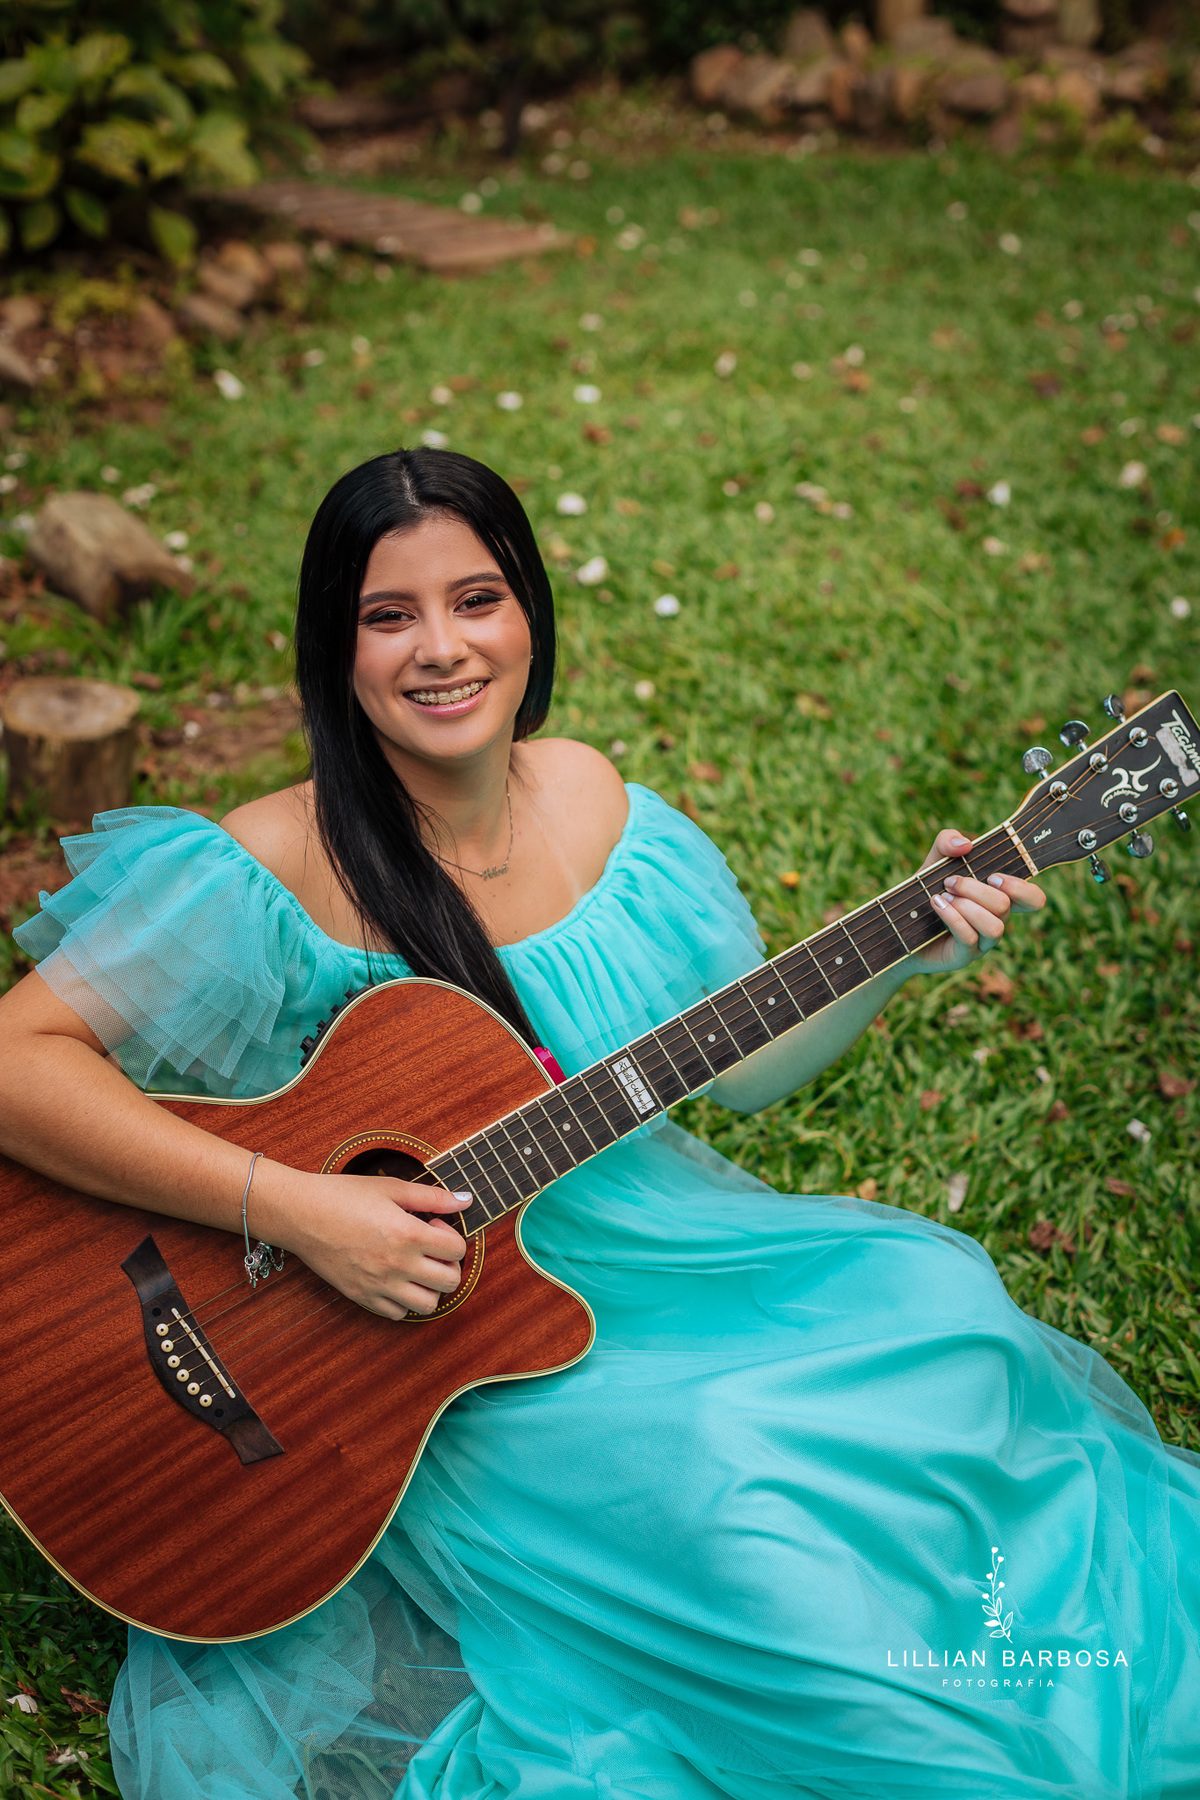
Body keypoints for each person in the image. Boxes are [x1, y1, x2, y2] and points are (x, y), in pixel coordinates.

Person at [1, 447, 1197, 1800]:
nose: (442, 648)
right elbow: (15, 1064)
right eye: (389, 616)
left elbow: (743, 1070)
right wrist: (300, 1209)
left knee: (946, 1310)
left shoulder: (590, 800)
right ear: (334, 648)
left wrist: (905, 946)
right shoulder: (274, 858)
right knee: (730, 1497)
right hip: (412, 1363)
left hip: (640, 1258)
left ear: (531, 615)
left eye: (478, 599)